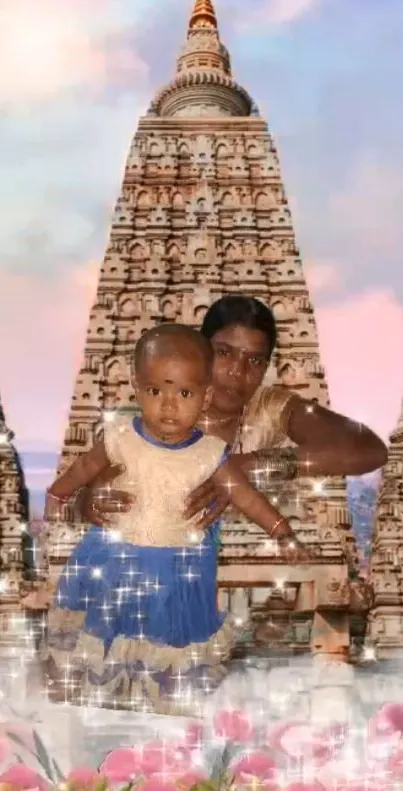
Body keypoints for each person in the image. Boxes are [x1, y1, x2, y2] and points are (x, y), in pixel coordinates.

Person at [40, 324, 299, 715]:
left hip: (176, 566)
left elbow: (243, 494)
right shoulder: (121, 436)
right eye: (155, 391)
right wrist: (59, 493)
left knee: (161, 635)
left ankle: (156, 696)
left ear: (205, 396)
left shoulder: (211, 453)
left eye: (185, 393)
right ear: (136, 386)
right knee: (108, 624)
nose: (168, 405)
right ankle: (97, 687)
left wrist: (281, 530)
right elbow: (85, 467)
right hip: (116, 557)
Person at [78, 295, 387, 533]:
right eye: (224, 353)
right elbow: (88, 491)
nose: (237, 372)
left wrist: (247, 466)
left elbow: (367, 448)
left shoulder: (271, 407)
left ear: (266, 367)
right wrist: (89, 501)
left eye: (254, 361)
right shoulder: (153, 409)